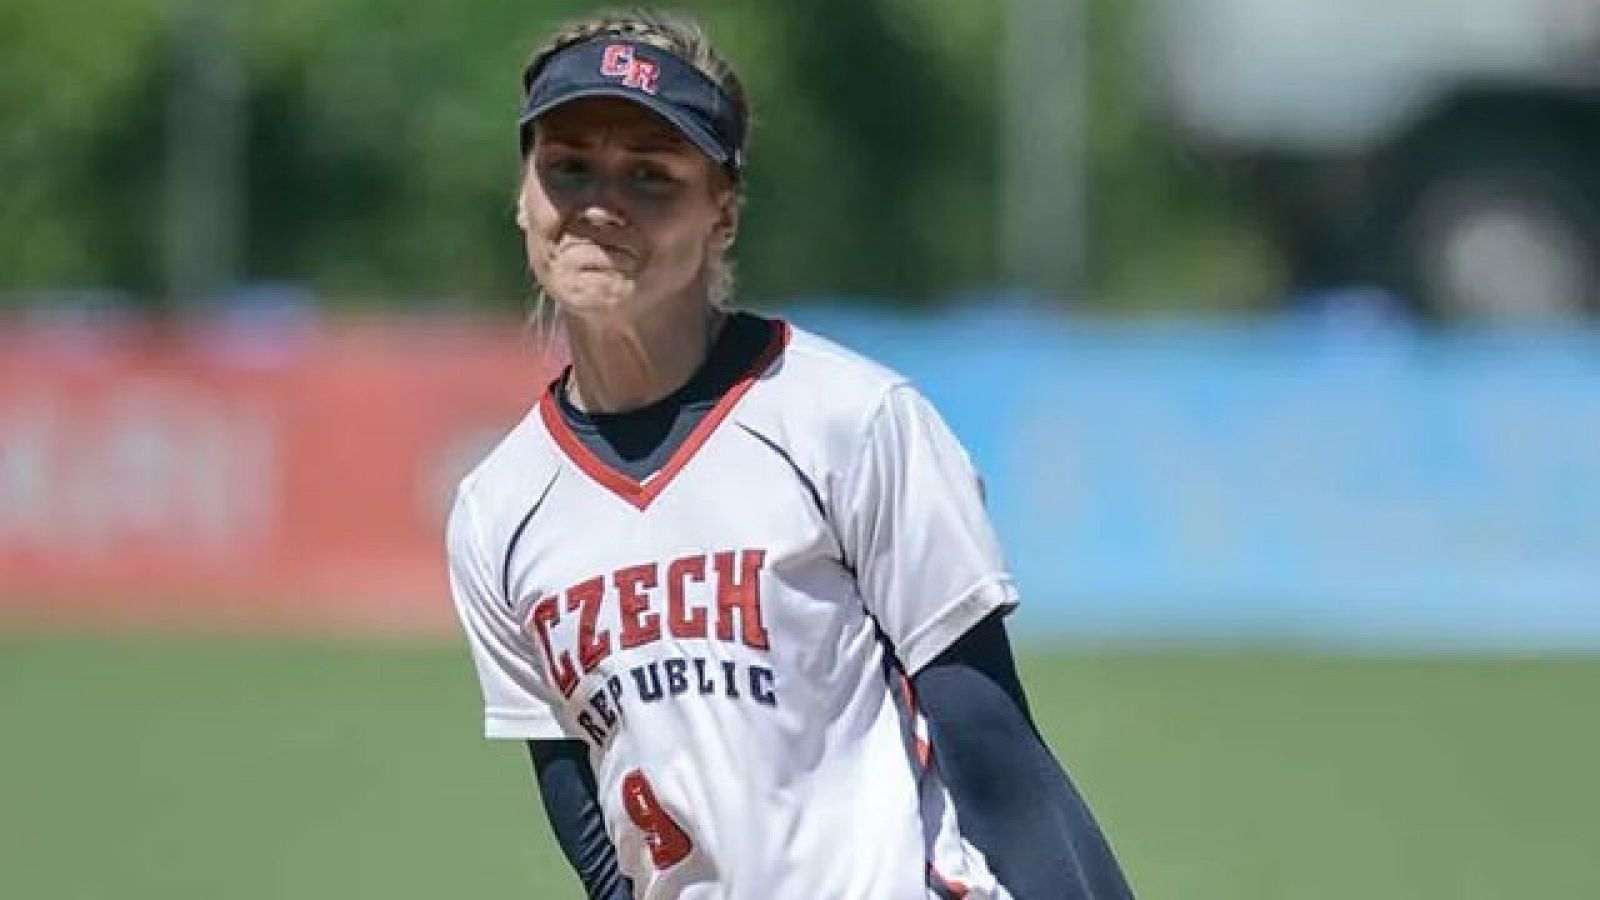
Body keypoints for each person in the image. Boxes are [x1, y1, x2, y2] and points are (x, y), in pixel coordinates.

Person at [446, 9, 1134, 899]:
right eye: (568, 167)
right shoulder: (499, 509)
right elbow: (586, 810)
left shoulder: (848, 422)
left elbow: (994, 752)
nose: (599, 206)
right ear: (524, 194)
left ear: (722, 213)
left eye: (651, 176)